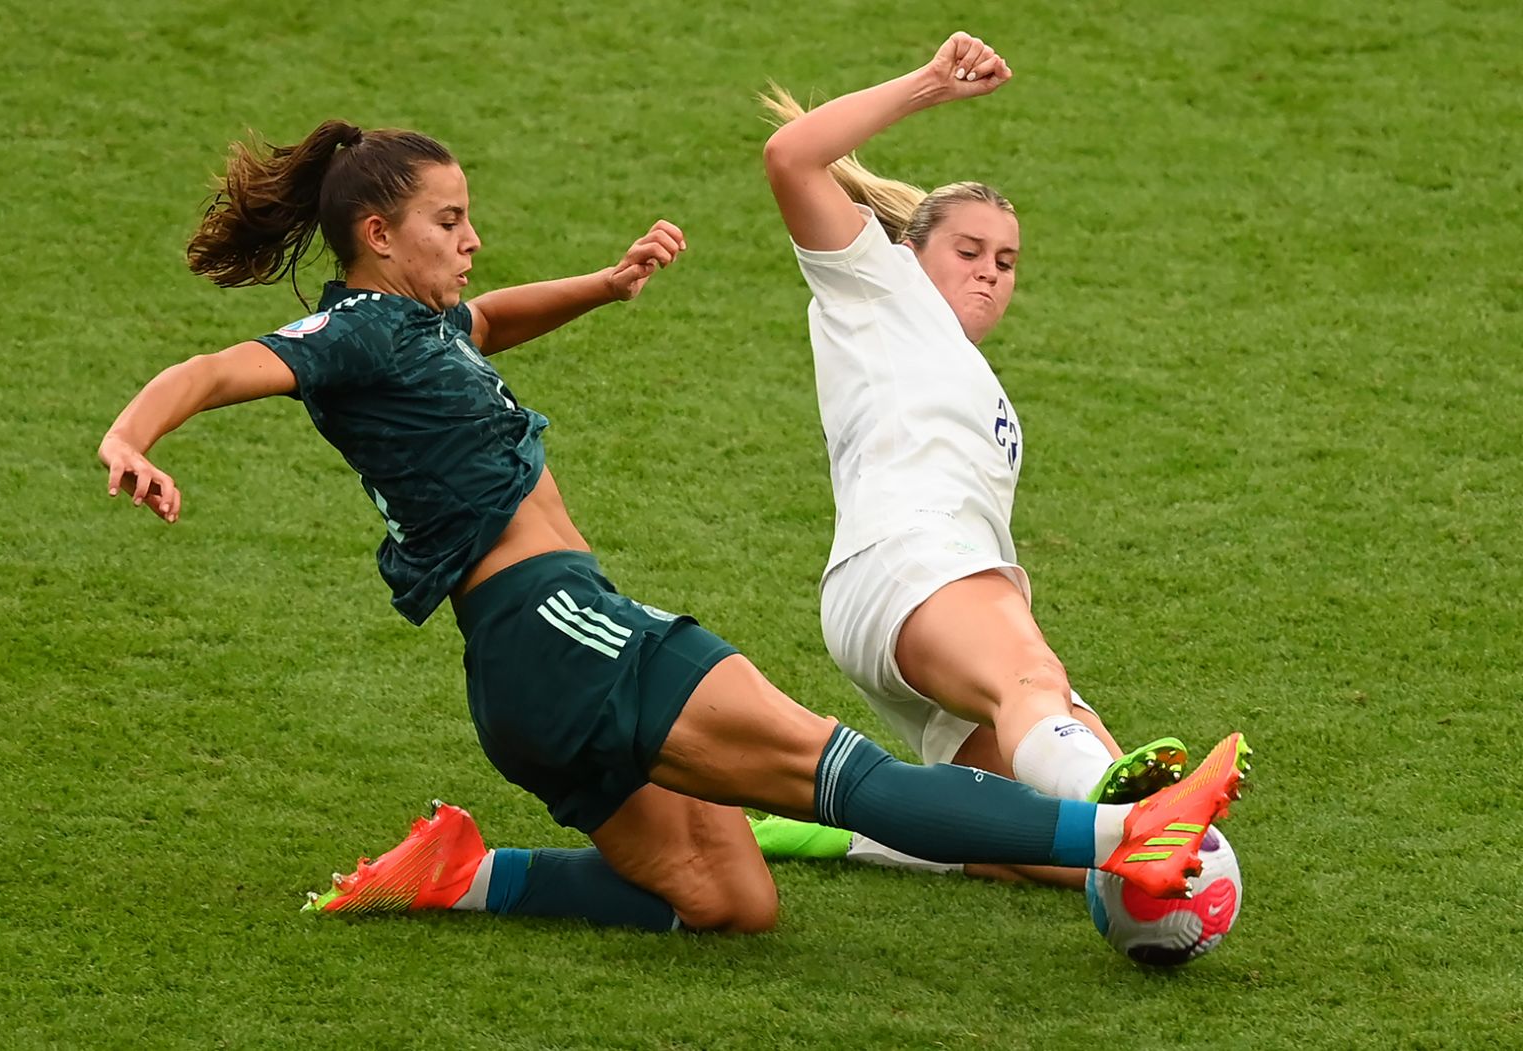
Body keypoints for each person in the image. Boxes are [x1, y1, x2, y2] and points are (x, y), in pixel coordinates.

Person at [97, 118, 1249, 935]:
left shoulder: (423, 325)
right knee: (832, 770)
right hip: (564, 630)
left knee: (731, 902)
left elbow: (486, 320)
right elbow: (211, 366)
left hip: (518, 688)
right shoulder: (347, 337)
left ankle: (465, 876)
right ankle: (1125, 838)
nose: (471, 238)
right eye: (449, 220)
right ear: (377, 232)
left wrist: (601, 285)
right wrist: (133, 439)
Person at [752, 32, 1216, 888]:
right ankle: (1133, 818)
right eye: (967, 251)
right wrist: (930, 84)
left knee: (1110, 861)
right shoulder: (876, 284)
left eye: (1006, 261)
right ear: (912, 251)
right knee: (1046, 695)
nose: (990, 273)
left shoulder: (981, 383)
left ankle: (845, 832)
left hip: (908, 593)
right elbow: (791, 155)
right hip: (912, 566)